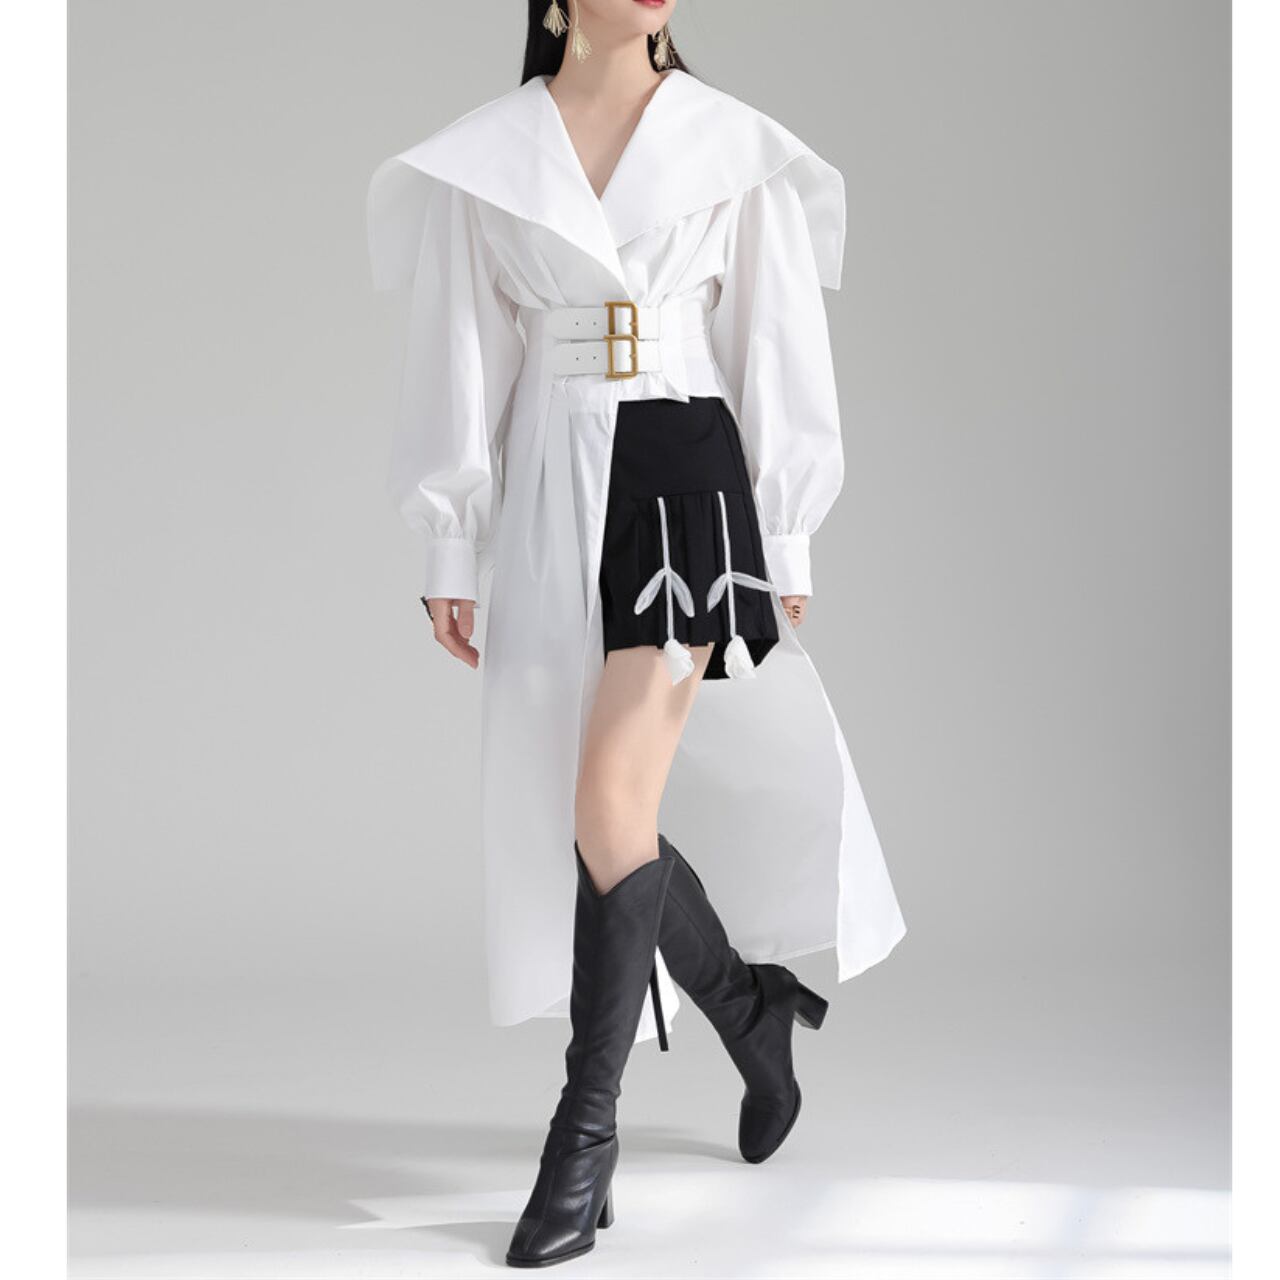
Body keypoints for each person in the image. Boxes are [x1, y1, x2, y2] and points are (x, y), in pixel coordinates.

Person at [367, 0, 906, 1267]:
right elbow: (458, 349)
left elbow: (775, 334)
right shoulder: (489, 154)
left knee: (608, 804)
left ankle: (582, 1132)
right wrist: (450, 538)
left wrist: (787, 530)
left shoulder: (730, 142)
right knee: (595, 810)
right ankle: (750, 1011)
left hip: (684, 478)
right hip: (552, 482)